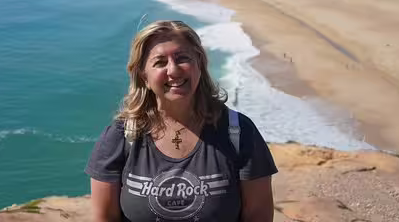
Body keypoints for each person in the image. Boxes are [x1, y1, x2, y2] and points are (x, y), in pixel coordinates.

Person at [85, 20, 277, 222]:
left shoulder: (239, 132)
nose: (173, 70)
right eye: (160, 62)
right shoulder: (121, 136)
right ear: (143, 75)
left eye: (182, 58)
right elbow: (105, 218)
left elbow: (258, 215)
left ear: (199, 64)